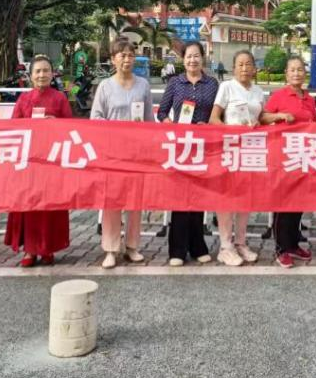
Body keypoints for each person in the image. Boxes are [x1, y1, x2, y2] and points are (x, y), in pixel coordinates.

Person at [5, 55, 72, 267]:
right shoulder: (24, 99)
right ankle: (30, 250)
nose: (42, 75)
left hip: (52, 160)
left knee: (50, 206)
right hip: (29, 162)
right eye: (38, 71)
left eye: (46, 70)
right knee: (29, 206)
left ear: (52, 74)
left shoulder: (59, 99)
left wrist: (56, 123)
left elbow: (71, 128)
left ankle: (48, 248)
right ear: (31, 75)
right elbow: (13, 127)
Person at [91, 38, 151, 268]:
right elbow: (96, 118)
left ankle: (132, 246)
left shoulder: (143, 85)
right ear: (113, 59)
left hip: (137, 152)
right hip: (113, 153)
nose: (127, 59)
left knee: (135, 202)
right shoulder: (105, 86)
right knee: (112, 201)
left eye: (130, 55)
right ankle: (110, 248)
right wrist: (112, 129)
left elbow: (149, 119)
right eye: (122, 55)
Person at [157, 41, 219, 267]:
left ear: (203, 58)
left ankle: (198, 246)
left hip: (204, 148)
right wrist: (170, 125)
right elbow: (162, 112)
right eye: (189, 56)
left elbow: (217, 114)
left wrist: (208, 125)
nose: (193, 60)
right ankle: (177, 250)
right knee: (180, 197)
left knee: (199, 197)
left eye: (196, 56)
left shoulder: (212, 84)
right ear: (183, 60)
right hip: (180, 147)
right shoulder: (175, 83)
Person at [209, 50, 267, 266]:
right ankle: (225, 247)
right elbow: (214, 119)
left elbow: (261, 117)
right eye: (240, 64)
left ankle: (241, 243)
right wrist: (229, 130)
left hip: (251, 150)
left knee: (245, 198)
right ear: (233, 68)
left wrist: (264, 121)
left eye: (248, 64)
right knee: (226, 198)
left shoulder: (258, 91)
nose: (244, 68)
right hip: (229, 148)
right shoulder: (226, 87)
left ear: (254, 68)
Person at [263, 55, 316, 269]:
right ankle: (282, 249)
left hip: (303, 157)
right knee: (283, 204)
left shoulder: (309, 99)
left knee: (298, 203)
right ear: (286, 74)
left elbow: (314, 124)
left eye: (300, 69)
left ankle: (293, 244)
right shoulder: (279, 96)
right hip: (283, 157)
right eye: (292, 70)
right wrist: (281, 116)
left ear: (305, 73)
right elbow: (263, 117)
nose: (296, 73)